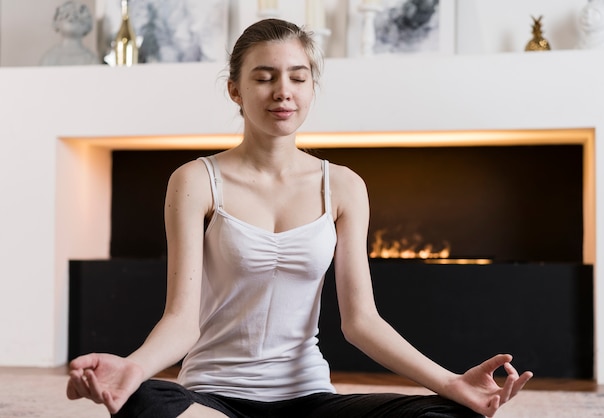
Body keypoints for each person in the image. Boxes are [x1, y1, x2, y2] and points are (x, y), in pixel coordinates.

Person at [66, 18, 532, 418]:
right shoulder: (195, 180)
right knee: (143, 402)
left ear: (312, 86)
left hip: (309, 401)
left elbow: (361, 322)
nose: (282, 92)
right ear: (236, 89)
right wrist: (134, 368)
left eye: (298, 77)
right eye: (264, 77)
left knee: (445, 414)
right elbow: (181, 321)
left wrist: (451, 383)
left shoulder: (344, 185)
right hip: (211, 399)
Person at [40, 0, 99, 66]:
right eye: (66, 15)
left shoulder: (91, 59)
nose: (71, 17)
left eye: (77, 17)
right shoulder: (49, 58)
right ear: (57, 23)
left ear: (86, 26)